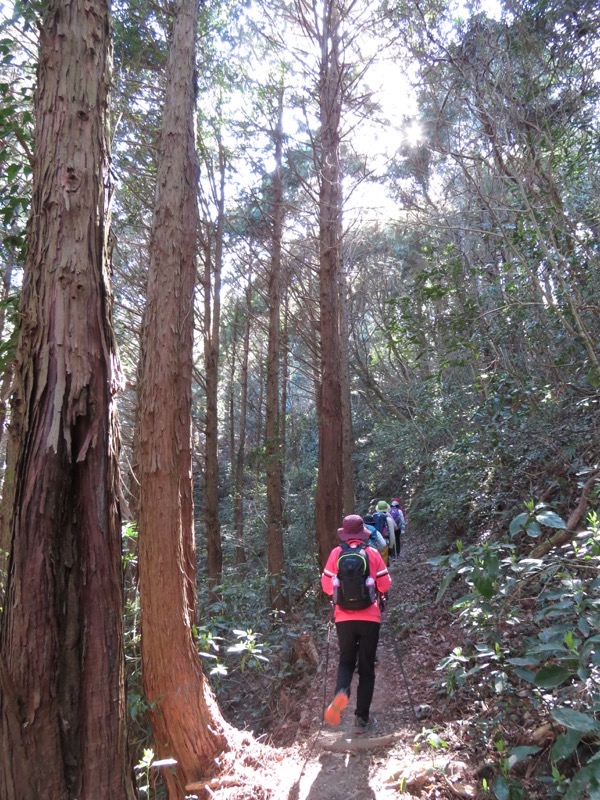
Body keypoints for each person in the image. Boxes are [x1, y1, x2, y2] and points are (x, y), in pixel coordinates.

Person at [321, 514, 392, 733]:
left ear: (345, 533)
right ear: (362, 533)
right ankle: (361, 719)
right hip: (370, 617)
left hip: (343, 618)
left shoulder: (336, 554)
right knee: (367, 668)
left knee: (346, 662)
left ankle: (341, 693)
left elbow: (326, 586)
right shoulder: (371, 553)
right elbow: (385, 583)